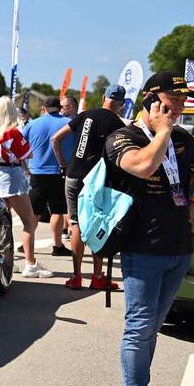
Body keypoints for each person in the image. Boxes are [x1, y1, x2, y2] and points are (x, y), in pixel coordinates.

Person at [106, 72, 194, 386]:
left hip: (178, 249)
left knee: (151, 329)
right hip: (142, 249)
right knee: (138, 328)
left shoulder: (182, 139)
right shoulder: (123, 137)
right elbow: (143, 166)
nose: (178, 107)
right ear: (150, 100)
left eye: (182, 101)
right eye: (171, 101)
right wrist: (162, 131)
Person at [51, 84, 126, 290]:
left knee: (75, 223)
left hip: (73, 174)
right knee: (96, 223)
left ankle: (76, 277)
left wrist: (63, 164)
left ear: (103, 97)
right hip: (96, 179)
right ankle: (97, 276)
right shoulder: (117, 124)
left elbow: (55, 139)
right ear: (121, 104)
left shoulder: (85, 115)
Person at [0, 96, 51, 278]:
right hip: (12, 175)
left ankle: (5, 260)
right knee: (29, 221)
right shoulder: (12, 132)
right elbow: (28, 153)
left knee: (2, 221)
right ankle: (30, 264)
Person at [22, 96, 72, 257]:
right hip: (59, 172)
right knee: (57, 211)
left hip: (37, 171)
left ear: (43, 108)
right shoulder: (68, 123)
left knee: (34, 211)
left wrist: (25, 167)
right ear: (60, 108)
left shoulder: (32, 124)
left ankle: (27, 243)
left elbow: (21, 146)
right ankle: (57, 246)